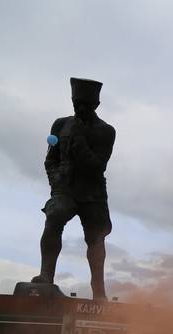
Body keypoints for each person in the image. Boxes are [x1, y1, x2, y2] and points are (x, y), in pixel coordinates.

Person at [31, 77, 116, 300]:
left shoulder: (106, 131)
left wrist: (79, 139)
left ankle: (99, 290)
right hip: (65, 189)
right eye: (77, 103)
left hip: (93, 193)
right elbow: (51, 159)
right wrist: (56, 181)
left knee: (96, 238)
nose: (81, 109)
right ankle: (46, 276)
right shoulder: (60, 124)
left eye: (86, 105)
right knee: (54, 216)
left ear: (96, 106)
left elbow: (97, 166)